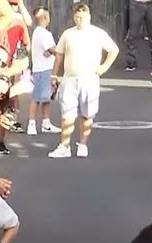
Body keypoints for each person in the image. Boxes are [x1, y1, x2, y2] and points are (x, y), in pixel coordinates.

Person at [48, 2, 119, 159]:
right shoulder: (68, 34)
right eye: (77, 17)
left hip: (89, 79)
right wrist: (54, 75)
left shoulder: (98, 33)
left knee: (87, 114)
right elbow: (59, 55)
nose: (80, 20)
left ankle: (83, 144)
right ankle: (64, 145)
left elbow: (114, 50)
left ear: (89, 17)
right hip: (69, 79)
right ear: (74, 17)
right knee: (67, 114)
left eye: (83, 17)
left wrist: (103, 67)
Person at [27, 6, 59, 136]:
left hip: (44, 68)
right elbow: (53, 50)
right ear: (46, 18)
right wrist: (61, 51)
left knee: (46, 97)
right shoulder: (44, 33)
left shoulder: (37, 32)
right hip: (42, 69)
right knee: (37, 98)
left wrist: (50, 51)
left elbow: (48, 50)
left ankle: (46, 123)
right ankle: (31, 124)